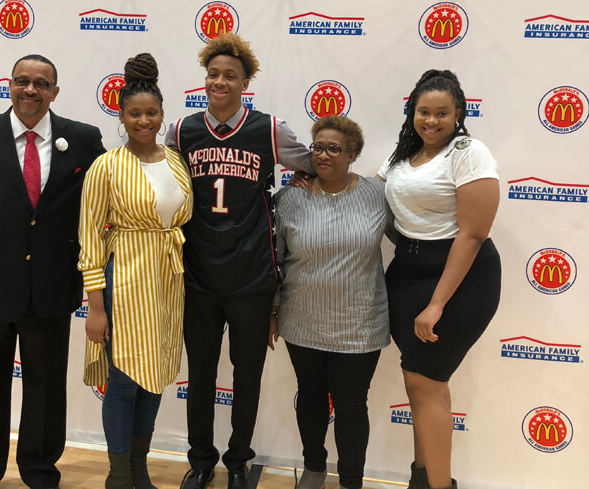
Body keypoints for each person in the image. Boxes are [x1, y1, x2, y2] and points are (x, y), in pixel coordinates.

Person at [0, 54, 106, 489]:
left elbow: (112, 190)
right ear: (9, 86)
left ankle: (39, 469)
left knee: (46, 389)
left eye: (41, 83)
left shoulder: (84, 139)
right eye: (22, 81)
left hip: (52, 285)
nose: (30, 89)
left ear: (55, 91)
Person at [165, 33, 312, 489]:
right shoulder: (182, 130)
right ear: (204, 79)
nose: (220, 82)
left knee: (247, 376)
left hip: (252, 274)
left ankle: (238, 460)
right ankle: (201, 460)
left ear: (246, 81)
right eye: (213, 75)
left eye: (230, 75)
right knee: (202, 374)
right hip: (199, 273)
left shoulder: (269, 129)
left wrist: (300, 185)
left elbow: (310, 165)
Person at [377, 70, 501, 489]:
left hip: (461, 278)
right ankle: (424, 475)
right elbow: (367, 195)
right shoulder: (401, 155)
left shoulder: (469, 152)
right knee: (426, 384)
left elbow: (473, 234)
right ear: (412, 111)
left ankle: (437, 485)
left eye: (442, 113)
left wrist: (437, 304)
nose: (431, 121)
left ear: (458, 114)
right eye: (423, 112)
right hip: (407, 273)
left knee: (423, 382)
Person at [78, 53, 193, 489]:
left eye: (151, 113)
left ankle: (140, 468)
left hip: (168, 283)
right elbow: (90, 241)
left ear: (162, 115)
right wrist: (96, 308)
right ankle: (118, 474)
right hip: (124, 280)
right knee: (124, 380)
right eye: (134, 114)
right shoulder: (105, 167)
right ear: (121, 117)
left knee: (155, 379)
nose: (144, 121)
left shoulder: (177, 161)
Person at [270, 115, 391, 489]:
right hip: (302, 320)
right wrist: (272, 312)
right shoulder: (289, 198)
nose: (323, 155)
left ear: (352, 155)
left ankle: (351, 480)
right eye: (318, 147)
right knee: (310, 397)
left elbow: (413, 240)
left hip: (360, 324)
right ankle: (314, 468)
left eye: (334, 148)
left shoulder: (377, 195)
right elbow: (275, 260)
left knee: (352, 406)